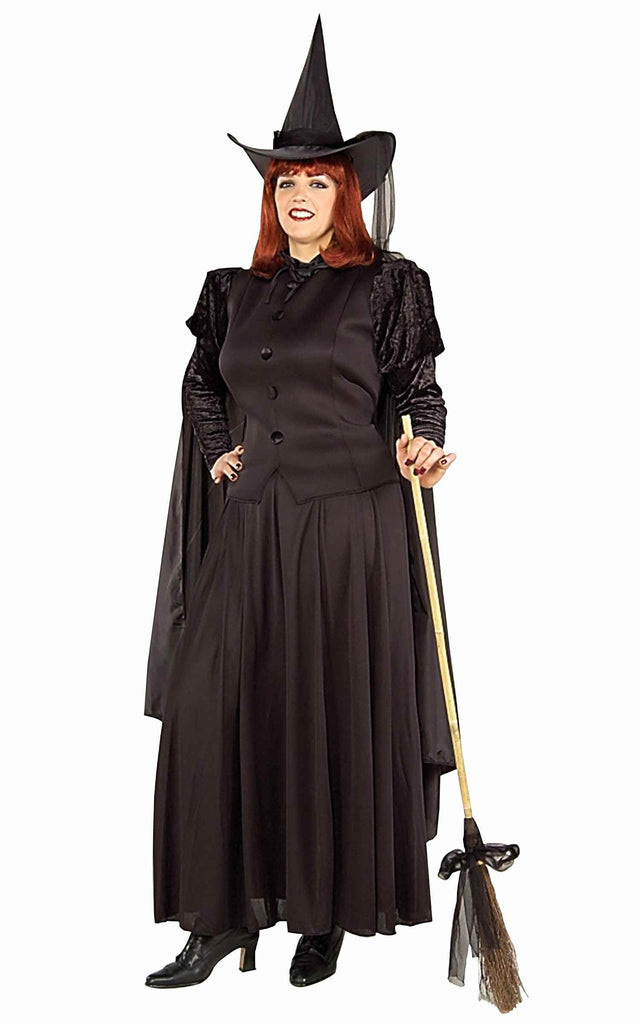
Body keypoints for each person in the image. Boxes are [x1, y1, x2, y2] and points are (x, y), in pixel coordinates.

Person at [144, 16, 458, 990]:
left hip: (352, 525)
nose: (299, 196)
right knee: (212, 709)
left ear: (347, 195)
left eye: (318, 181)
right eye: (286, 182)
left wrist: (423, 438)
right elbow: (202, 383)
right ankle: (216, 917)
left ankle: (322, 913)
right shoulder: (233, 290)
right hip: (253, 527)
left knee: (329, 713)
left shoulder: (390, 287)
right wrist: (219, 452)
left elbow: (417, 387)